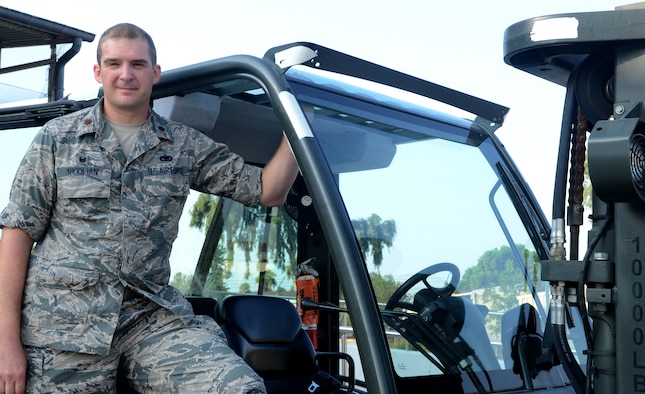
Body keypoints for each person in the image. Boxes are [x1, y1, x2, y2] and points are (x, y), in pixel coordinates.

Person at [0, 22, 299, 393]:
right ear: (98, 71)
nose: (126, 74)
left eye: (138, 64)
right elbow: (17, 235)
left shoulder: (183, 146)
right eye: (114, 64)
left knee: (239, 388)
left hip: (149, 319)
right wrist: (6, 344)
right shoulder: (57, 139)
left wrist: (298, 129)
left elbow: (267, 190)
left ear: (154, 73)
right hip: (65, 329)